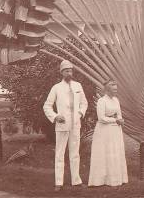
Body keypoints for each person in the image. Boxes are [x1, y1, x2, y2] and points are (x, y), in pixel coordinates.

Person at [43, 60, 88, 191]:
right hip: (62, 125)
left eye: (71, 70)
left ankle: (76, 181)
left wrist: (80, 113)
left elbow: (84, 103)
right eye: (67, 70)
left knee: (75, 153)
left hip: (75, 124)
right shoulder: (56, 88)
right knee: (60, 153)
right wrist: (56, 116)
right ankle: (58, 182)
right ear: (62, 72)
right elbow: (47, 106)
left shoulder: (78, 86)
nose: (70, 73)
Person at [88, 80, 128, 187]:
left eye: (116, 86)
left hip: (116, 130)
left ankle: (115, 179)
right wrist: (115, 120)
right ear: (106, 89)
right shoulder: (102, 101)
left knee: (115, 152)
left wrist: (120, 120)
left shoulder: (116, 100)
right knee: (105, 153)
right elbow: (101, 118)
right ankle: (101, 180)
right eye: (112, 86)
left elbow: (119, 114)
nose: (115, 88)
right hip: (104, 131)